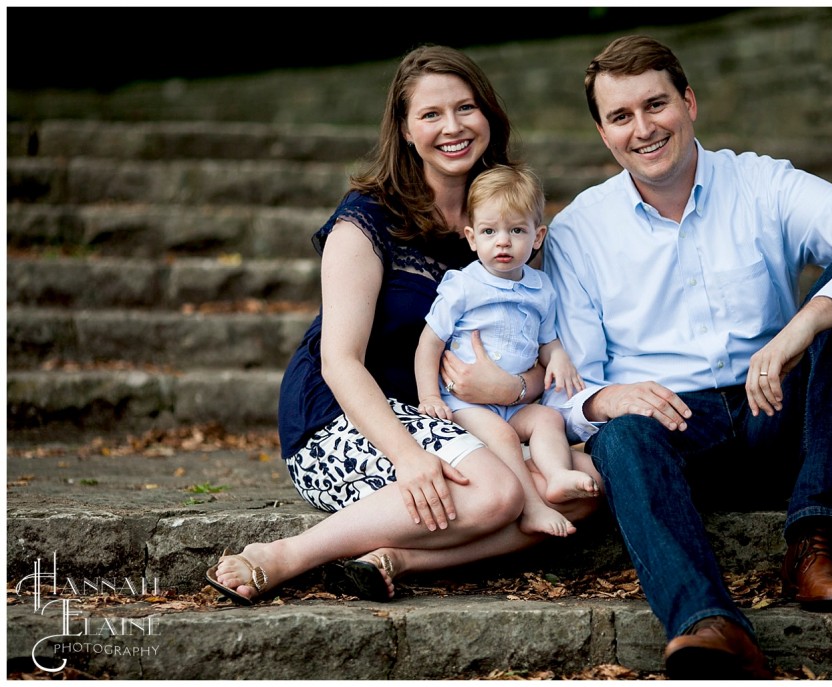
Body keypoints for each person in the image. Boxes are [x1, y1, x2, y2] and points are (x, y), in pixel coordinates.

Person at [541, 35, 832, 679]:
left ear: (689, 102)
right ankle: (711, 624)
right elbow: (567, 390)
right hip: (674, 441)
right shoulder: (581, 230)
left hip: (776, 414)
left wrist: (801, 326)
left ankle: (812, 542)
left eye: (656, 104)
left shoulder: (762, 183)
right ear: (603, 133)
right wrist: (606, 398)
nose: (643, 129)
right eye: (620, 116)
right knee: (619, 438)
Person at [205, 44, 602, 606]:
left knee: (588, 483)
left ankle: (398, 558)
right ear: (405, 129)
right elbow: (338, 361)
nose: (453, 127)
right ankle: (289, 554)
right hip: (347, 421)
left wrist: (515, 388)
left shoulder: (502, 221)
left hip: (458, 416)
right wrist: (409, 458)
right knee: (496, 494)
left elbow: (526, 347)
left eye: (466, 108)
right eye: (431, 115)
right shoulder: (365, 221)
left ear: (488, 114)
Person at [415, 164, 600, 539]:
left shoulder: (541, 288)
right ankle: (531, 506)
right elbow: (429, 343)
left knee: (547, 420)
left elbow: (547, 341)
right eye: (489, 231)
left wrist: (559, 357)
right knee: (500, 436)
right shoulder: (464, 286)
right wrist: (429, 396)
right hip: (467, 404)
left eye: (516, 230)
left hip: (515, 404)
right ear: (471, 237)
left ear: (537, 236)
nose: (503, 241)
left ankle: (557, 474)